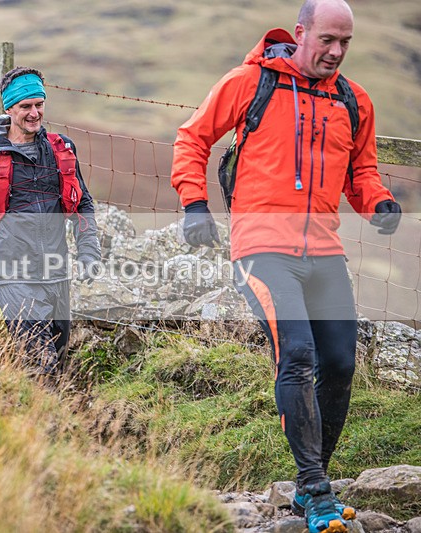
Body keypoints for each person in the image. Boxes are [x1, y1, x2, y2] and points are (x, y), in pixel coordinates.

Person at [170, 1, 401, 532]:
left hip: (324, 250)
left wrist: (379, 203)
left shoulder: (354, 100)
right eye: (327, 40)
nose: (336, 52)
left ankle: (309, 486)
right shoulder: (250, 82)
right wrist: (194, 203)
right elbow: (192, 137)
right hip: (261, 247)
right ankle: (316, 491)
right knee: (296, 354)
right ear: (301, 33)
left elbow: (361, 171)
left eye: (345, 42)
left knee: (339, 363)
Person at [0, 66, 101, 384]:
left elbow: (83, 205)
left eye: (39, 104)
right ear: (9, 108)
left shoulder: (62, 150)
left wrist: (89, 252)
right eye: (25, 106)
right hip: (12, 275)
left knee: (56, 361)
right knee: (41, 364)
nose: (34, 113)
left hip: (57, 274)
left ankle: (27, 410)